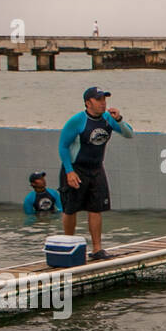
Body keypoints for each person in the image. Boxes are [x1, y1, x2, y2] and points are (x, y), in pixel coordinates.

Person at [58, 87, 134, 261]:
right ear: (88, 102)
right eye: (99, 99)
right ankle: (70, 244)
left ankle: (97, 248)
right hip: (76, 168)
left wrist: (119, 119)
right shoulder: (77, 121)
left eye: (104, 99)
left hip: (96, 168)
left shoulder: (108, 119)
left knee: (96, 208)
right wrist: (69, 171)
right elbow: (63, 146)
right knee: (71, 209)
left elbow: (129, 134)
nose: (103, 103)